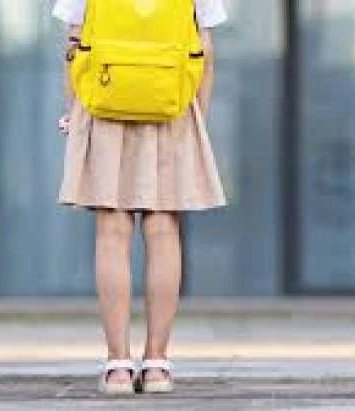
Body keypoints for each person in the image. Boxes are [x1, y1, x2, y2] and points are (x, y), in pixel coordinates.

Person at [52, 0, 228, 395]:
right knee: (163, 231)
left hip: (105, 102)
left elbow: (74, 43)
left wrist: (73, 109)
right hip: (172, 106)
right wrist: (198, 117)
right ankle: (157, 365)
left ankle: (117, 365)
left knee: (112, 233)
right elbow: (205, 49)